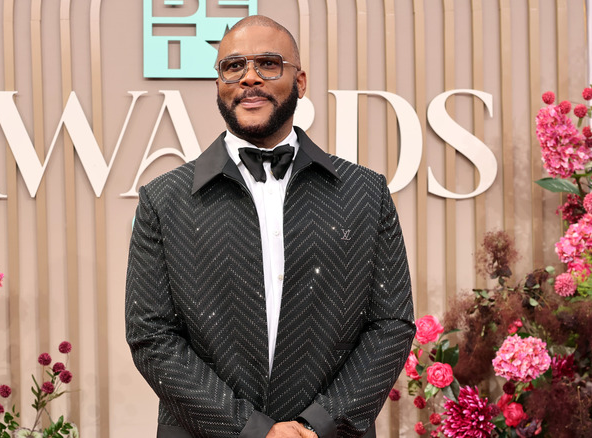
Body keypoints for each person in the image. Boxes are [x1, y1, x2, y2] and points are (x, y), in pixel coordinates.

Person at [125, 15, 415, 438]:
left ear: (300, 82)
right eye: (234, 66)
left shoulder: (365, 192)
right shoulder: (164, 199)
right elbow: (151, 334)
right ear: (219, 84)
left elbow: (391, 323)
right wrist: (251, 429)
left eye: (268, 63)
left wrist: (318, 424)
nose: (250, 77)